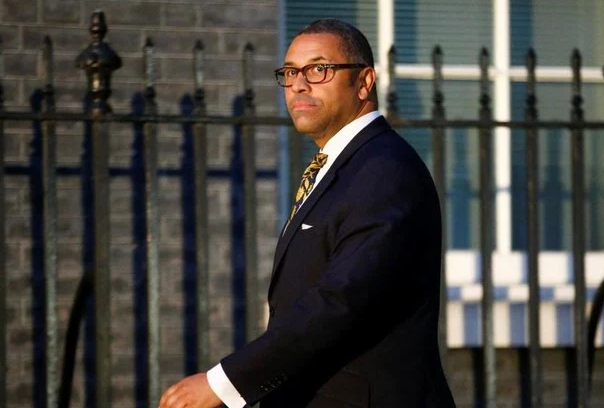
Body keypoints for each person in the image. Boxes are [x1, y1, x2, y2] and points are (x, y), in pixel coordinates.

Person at [159, 18, 456, 408]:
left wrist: (223, 383)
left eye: (319, 69)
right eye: (290, 72)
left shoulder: (385, 170)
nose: (299, 83)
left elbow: (340, 301)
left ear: (364, 82)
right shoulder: (341, 165)